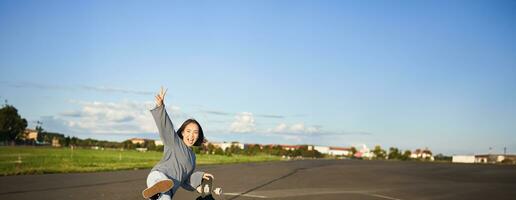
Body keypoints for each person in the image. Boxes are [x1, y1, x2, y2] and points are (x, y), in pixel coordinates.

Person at [142, 87, 214, 200]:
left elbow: (185, 181)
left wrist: (200, 182)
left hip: (169, 190)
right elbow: (166, 127)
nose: (191, 135)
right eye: (188, 131)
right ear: (183, 133)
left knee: (165, 197)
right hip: (158, 175)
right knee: (161, 183)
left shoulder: (192, 158)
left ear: (198, 135)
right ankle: (156, 187)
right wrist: (161, 107)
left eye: (195, 132)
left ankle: (156, 193)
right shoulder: (174, 142)